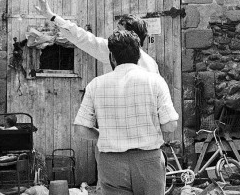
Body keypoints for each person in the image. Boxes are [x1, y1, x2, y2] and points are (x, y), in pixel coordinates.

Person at [74, 30, 178, 195]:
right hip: (148, 160)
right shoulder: (155, 81)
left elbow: (81, 129)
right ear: (138, 56)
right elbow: (170, 125)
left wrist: (105, 134)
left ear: (113, 58)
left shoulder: (95, 85)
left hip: (111, 162)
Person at [34, 0, 159, 74]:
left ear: (131, 35)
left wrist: (52, 16)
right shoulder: (151, 63)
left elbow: (81, 37)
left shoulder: (112, 50)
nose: (114, 32)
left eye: (119, 29)